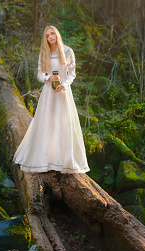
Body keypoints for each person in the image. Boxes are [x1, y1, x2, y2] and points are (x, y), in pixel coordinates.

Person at [13, 26, 89, 174]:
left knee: (64, 124)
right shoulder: (44, 52)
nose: (50, 37)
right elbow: (40, 75)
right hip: (48, 93)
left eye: (52, 33)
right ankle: (44, 160)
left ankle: (63, 161)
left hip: (63, 93)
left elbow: (71, 74)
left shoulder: (68, 51)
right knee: (46, 124)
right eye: (47, 35)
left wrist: (64, 85)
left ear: (57, 34)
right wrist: (49, 78)